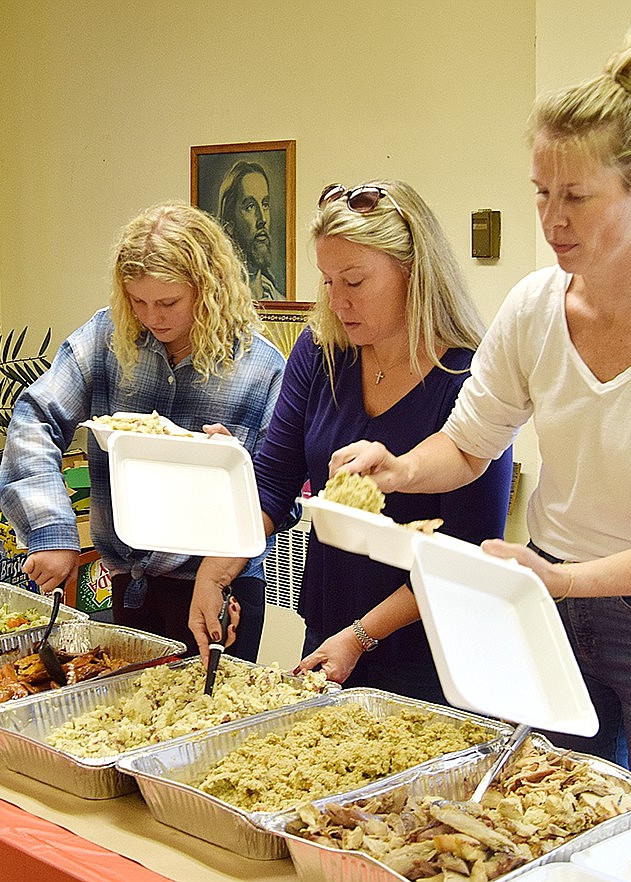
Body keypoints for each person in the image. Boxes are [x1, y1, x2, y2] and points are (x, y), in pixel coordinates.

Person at [329, 26, 631, 817]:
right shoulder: (536, 305)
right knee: (549, 824)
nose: (551, 219)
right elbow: (468, 444)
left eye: (575, 197)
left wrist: (563, 579)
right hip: (552, 598)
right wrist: (399, 469)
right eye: (540, 192)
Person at [189, 180, 513, 703]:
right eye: (328, 281)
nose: (337, 302)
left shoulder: (469, 382)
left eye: (356, 282)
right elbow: (273, 482)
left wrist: (364, 635)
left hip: (428, 656)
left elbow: (465, 552)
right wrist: (215, 575)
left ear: (414, 274)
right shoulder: (320, 355)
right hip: (328, 630)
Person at [0, 202, 286, 659]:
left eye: (169, 302)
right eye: (138, 301)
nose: (153, 317)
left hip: (218, 585)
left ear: (208, 288)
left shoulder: (262, 367)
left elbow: (279, 491)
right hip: (131, 583)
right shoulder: (107, 337)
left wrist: (231, 473)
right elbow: (35, 418)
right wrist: (52, 531)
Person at [218, 160, 285, 301]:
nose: (262, 219)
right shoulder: (218, 303)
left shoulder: (278, 300)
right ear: (229, 223)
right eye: (250, 207)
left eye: (265, 204)